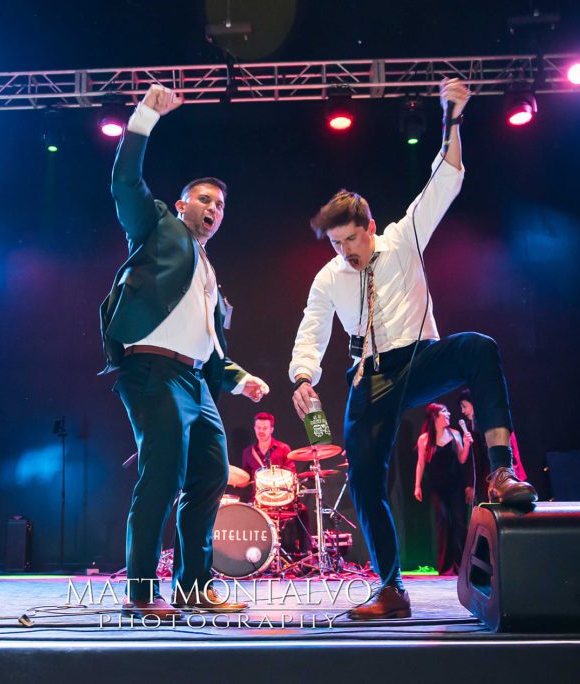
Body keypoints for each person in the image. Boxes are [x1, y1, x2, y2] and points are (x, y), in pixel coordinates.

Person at [288, 78, 537, 620]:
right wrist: (303, 376)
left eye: (351, 239)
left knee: (478, 348)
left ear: (371, 227)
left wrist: (452, 117)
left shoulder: (404, 238)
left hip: (419, 359)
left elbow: (445, 178)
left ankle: (499, 471)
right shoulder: (329, 277)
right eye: (336, 243)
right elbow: (312, 328)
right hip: (370, 376)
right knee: (365, 480)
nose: (345, 251)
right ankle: (391, 589)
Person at [100, 84, 270, 617]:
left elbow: (209, 344)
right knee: (162, 478)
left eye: (220, 205)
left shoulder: (209, 274)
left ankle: (193, 588)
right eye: (204, 199)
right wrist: (144, 117)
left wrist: (239, 378)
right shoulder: (157, 228)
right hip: (153, 371)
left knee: (210, 477)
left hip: (196, 382)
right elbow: (124, 181)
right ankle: (141, 593)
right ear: (181, 205)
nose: (213, 208)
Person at [241, 412, 312, 557]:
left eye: (265, 428)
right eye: (258, 427)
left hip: (282, 498)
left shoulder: (283, 449)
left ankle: (306, 553)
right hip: (259, 500)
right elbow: (244, 478)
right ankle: (252, 555)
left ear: (271, 429)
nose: (261, 431)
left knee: (302, 510)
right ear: (254, 428)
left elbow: (292, 474)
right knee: (243, 511)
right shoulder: (248, 452)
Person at [414, 403, 471, 576]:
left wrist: (467, 444)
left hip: (456, 486)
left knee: (460, 523)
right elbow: (420, 463)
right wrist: (417, 485)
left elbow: (462, 459)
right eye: (444, 411)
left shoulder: (454, 434)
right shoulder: (424, 439)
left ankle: (461, 565)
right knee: (443, 522)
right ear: (435, 416)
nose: (449, 414)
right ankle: (445, 567)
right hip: (437, 488)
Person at [458, 389, 527, 504]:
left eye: (464, 406)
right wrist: (471, 484)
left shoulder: (494, 420)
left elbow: (511, 449)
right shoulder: (470, 427)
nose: (463, 411)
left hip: (505, 476)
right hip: (487, 482)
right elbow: (476, 460)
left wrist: (513, 473)